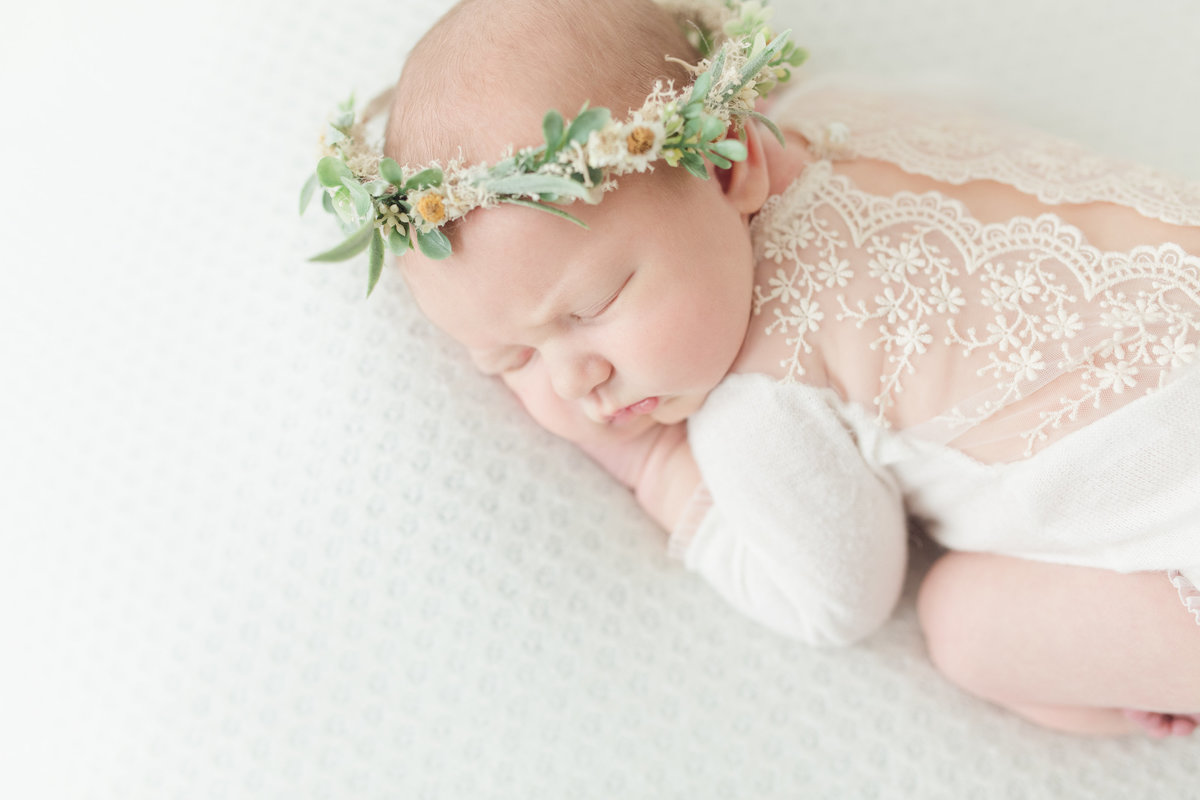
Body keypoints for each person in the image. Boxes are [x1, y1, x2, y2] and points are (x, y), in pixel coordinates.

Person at [304, 0, 1200, 737]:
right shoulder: (847, 111)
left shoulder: (759, 397)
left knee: (968, 627)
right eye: (511, 359)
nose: (575, 379)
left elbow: (834, 605)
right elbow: (969, 107)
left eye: (593, 309)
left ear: (733, 165)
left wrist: (659, 466)